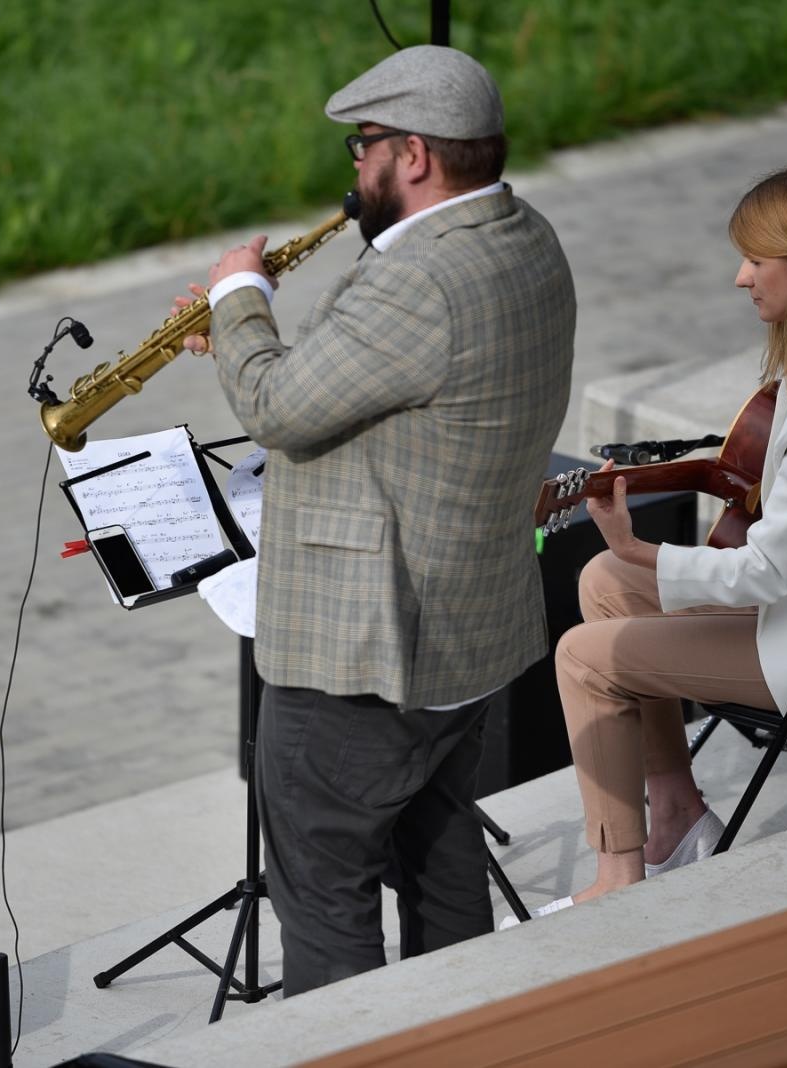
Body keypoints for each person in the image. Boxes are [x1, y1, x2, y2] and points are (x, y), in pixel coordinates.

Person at [173, 46, 577, 993]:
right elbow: (379, 377)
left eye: (363, 149)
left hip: (366, 653)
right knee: (440, 866)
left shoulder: (418, 282)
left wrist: (239, 297)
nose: (354, 172)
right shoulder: (524, 236)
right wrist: (248, 332)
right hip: (464, 637)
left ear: (417, 156)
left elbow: (277, 409)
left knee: (321, 894)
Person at [527, 159, 787, 919]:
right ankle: (677, 818)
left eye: (758, 259)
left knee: (581, 657)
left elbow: (763, 574)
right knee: (601, 583)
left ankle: (617, 878)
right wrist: (631, 564)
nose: (740, 277)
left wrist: (644, 551)